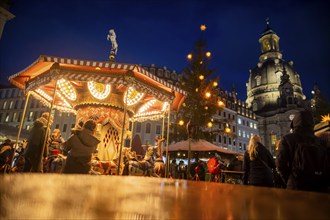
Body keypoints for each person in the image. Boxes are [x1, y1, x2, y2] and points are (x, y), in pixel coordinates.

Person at [276, 109, 329, 192]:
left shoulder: (287, 139)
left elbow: (280, 164)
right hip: (319, 187)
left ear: (294, 123)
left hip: (297, 186)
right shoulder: (321, 141)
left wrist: (290, 180)